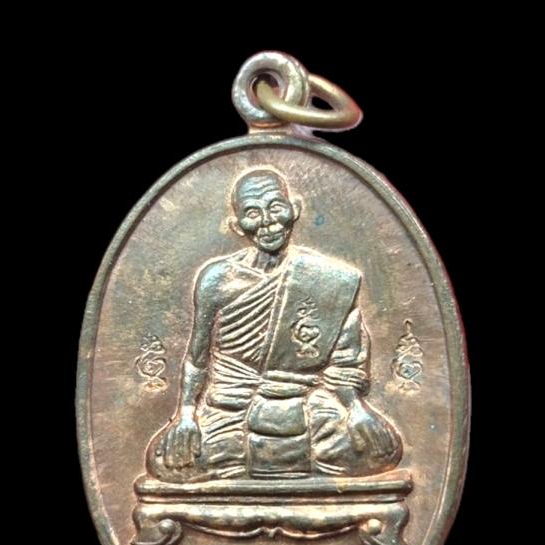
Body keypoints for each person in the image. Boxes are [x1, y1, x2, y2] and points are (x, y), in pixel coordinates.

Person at [147, 169, 402, 482]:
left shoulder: (331, 280)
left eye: (276, 207)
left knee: (382, 451)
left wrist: (356, 409)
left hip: (308, 403)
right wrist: (187, 415)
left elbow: (343, 363)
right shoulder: (216, 280)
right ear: (237, 225)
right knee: (166, 461)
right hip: (232, 406)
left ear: (294, 209)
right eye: (253, 213)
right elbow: (198, 359)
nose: (268, 222)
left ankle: (259, 463)